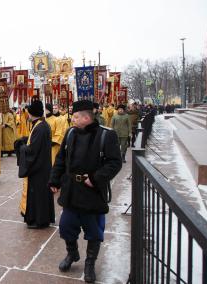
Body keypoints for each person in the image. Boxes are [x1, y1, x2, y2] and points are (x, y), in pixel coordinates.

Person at [49, 100, 122, 283]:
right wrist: (54, 179)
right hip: (71, 191)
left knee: (94, 231)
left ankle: (90, 264)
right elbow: (61, 158)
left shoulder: (107, 135)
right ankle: (72, 254)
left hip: (93, 192)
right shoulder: (71, 132)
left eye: (75, 117)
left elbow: (115, 163)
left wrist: (95, 178)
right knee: (66, 226)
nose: (72, 119)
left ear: (87, 117)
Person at [17, 100, 55, 229]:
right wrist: (24, 140)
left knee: (38, 195)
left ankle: (39, 220)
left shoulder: (40, 127)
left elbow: (33, 150)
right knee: (41, 194)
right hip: (42, 166)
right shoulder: (41, 124)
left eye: (28, 113)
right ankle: (42, 218)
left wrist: (21, 147)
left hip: (38, 168)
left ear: (31, 113)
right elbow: (34, 143)